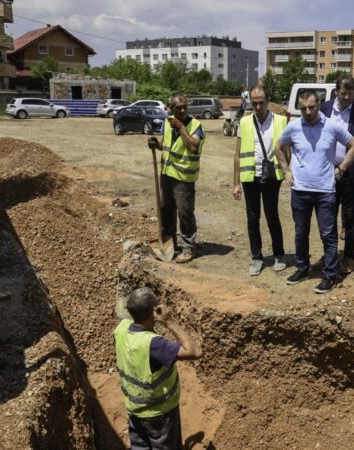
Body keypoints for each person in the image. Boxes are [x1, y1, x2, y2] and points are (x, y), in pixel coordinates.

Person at [275, 90, 354, 294]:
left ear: (319, 104)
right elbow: (278, 147)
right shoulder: (293, 127)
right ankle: (303, 268)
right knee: (300, 233)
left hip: (325, 191)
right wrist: (286, 170)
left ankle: (330, 275)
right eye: (303, 107)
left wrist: (341, 169)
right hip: (300, 190)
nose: (307, 111)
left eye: (311, 107)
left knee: (328, 235)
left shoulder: (332, 127)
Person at [114, 287, 202, 450]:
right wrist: (169, 321)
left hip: (135, 410)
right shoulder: (154, 345)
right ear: (154, 311)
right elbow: (194, 351)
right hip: (159, 415)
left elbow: (130, 316)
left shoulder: (121, 329)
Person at [314, 75, 354, 275]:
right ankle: (329, 256)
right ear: (336, 91)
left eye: (351, 94)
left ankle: (349, 257)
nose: (348, 97)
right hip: (326, 172)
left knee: (349, 215)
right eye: (344, 93)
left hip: (351, 173)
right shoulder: (324, 108)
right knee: (327, 214)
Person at [232, 85, 288, 276]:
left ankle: (279, 255)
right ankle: (257, 258)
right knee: (252, 218)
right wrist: (236, 183)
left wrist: (289, 171)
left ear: (268, 101)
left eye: (260, 103)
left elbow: (288, 150)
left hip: (272, 176)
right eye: (254, 103)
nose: (257, 106)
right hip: (250, 177)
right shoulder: (245, 122)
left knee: (272, 216)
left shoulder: (281, 121)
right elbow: (238, 155)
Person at [148, 92, 206, 263]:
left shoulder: (195, 125)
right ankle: (169, 242)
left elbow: (193, 147)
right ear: (171, 109)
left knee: (184, 212)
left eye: (184, 107)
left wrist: (181, 127)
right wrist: (156, 144)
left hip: (183, 177)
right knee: (166, 209)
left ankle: (188, 247)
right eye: (178, 108)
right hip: (167, 173)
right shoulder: (167, 123)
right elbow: (166, 145)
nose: (182, 110)